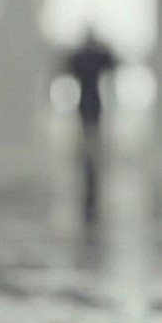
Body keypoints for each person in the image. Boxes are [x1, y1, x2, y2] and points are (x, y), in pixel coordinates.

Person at [61, 28, 118, 227]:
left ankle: (89, 159)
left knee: (88, 133)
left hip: (86, 100)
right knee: (92, 133)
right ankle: (90, 160)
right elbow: (113, 63)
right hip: (93, 100)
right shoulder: (97, 54)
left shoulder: (80, 56)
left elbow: (66, 66)